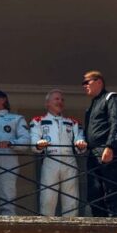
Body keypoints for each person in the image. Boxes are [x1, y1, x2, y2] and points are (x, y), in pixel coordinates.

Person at [30, 89, 87, 217]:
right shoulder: (38, 121)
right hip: (50, 158)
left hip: (69, 160)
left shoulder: (73, 122)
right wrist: (38, 144)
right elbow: (34, 141)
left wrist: (81, 144)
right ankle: (45, 228)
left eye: (62, 99)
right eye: (56, 99)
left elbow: (79, 138)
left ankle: (71, 228)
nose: (60, 102)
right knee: (48, 197)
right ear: (47, 103)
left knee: (71, 198)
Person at [82, 71, 117, 217]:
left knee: (111, 190)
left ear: (99, 82)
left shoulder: (111, 98)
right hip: (93, 153)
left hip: (107, 150)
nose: (84, 86)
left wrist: (110, 146)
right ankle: (99, 225)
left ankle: (116, 221)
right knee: (94, 193)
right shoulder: (91, 106)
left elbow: (116, 122)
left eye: (87, 82)